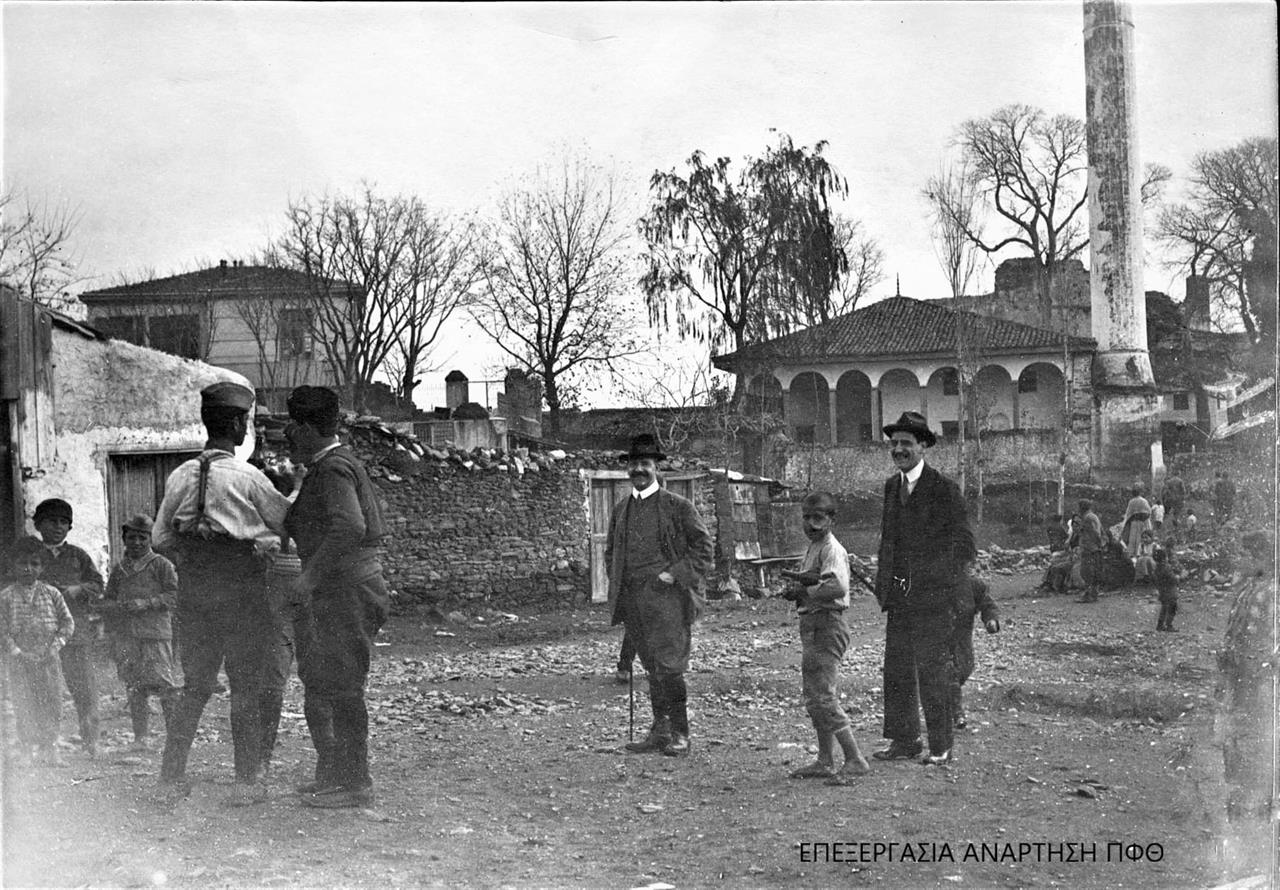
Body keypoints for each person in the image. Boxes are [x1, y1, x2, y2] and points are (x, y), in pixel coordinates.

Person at [153, 381, 291, 805]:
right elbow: (287, 524)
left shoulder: (180, 475)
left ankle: (170, 779)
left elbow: (160, 539)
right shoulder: (247, 477)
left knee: (195, 685)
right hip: (241, 589)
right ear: (235, 425)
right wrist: (266, 539)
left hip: (195, 591)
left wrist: (193, 554)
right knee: (245, 685)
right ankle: (246, 782)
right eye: (244, 422)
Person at [284, 386, 391, 809]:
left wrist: (308, 579)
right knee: (330, 680)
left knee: (345, 686)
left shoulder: (332, 469)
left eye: (294, 425)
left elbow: (349, 526)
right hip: (344, 588)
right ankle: (334, 775)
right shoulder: (329, 465)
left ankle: (355, 783)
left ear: (308, 428)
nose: (288, 433)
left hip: (347, 590)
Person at [872, 412, 975, 766]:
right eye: (894, 443)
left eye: (906, 443)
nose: (898, 450)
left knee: (933, 672)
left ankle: (941, 746)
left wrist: (937, 581)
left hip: (933, 598)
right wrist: (885, 582)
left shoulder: (944, 489)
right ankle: (905, 741)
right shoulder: (892, 487)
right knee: (897, 669)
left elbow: (964, 545)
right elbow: (889, 541)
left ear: (923, 446)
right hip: (899, 596)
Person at [605, 433, 713, 758]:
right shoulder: (621, 509)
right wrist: (619, 582)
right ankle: (660, 730)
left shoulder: (677, 506)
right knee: (651, 665)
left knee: (670, 667)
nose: (638, 469)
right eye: (633, 464)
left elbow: (704, 548)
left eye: (645, 463)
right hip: (634, 601)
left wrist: (674, 574)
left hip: (668, 601)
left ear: (656, 468)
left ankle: (681, 733)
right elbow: (611, 552)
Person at [779, 492, 871, 785]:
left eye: (818, 518)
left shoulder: (831, 549)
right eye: (806, 517)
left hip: (827, 625)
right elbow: (817, 579)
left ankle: (854, 758)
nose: (811, 524)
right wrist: (799, 586)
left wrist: (804, 591)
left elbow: (837, 587)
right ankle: (825, 760)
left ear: (832, 519)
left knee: (824, 696)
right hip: (814, 624)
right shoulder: (815, 547)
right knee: (814, 697)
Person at [31, 498, 104, 757]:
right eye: (52, 521)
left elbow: (97, 584)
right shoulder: (32, 556)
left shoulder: (78, 556)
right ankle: (47, 745)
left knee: (84, 688)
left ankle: (91, 742)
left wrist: (77, 589)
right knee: (45, 689)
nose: (58, 527)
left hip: (75, 632)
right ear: (38, 525)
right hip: (41, 634)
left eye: (64, 522)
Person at [100, 516, 181, 749]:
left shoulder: (161, 565)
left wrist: (146, 603)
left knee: (165, 686)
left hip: (155, 634)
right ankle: (141, 738)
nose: (136, 542)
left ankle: (175, 739)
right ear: (124, 539)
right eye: (131, 537)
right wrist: (115, 608)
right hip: (127, 635)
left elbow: (175, 595)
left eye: (142, 537)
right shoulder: (120, 569)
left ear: (150, 539)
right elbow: (109, 598)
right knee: (134, 686)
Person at [1, 537, 75, 765]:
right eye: (22, 563)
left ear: (42, 567)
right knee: (24, 702)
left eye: (34, 563)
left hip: (48, 656)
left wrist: (55, 646)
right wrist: (17, 652)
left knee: (51, 701)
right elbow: (2, 630)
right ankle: (26, 750)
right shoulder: (6, 596)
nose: (28, 568)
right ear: (12, 566)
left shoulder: (52, 593)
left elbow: (67, 623)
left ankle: (50, 748)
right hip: (20, 658)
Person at [950, 568, 1000, 730]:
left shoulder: (973, 585)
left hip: (962, 636)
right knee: (950, 673)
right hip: (938, 635)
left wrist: (991, 620)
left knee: (966, 667)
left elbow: (988, 604)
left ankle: (949, 703)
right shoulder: (934, 583)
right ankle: (956, 713)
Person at [1069, 499, 1104, 603]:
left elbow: (1095, 533)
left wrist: (1096, 545)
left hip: (1090, 548)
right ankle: (1092, 594)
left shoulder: (1088, 518)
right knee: (1091, 572)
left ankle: (1089, 595)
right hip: (1092, 548)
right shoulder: (1092, 516)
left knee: (1087, 572)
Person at [1119, 484, 1153, 559]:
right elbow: (1149, 511)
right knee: (1142, 538)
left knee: (1134, 538)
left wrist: (1126, 520)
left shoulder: (1132, 501)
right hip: (1143, 522)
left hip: (1135, 521)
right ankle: (1143, 553)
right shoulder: (1144, 501)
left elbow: (1128, 513)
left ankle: (1134, 553)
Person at [1152, 549, 1179, 632]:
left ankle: (1160, 625)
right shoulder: (1166, 567)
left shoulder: (1157, 568)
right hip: (1170, 591)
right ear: (1164, 558)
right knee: (1172, 608)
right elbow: (1173, 579)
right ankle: (1169, 625)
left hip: (1162, 591)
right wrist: (1178, 577)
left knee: (1164, 608)